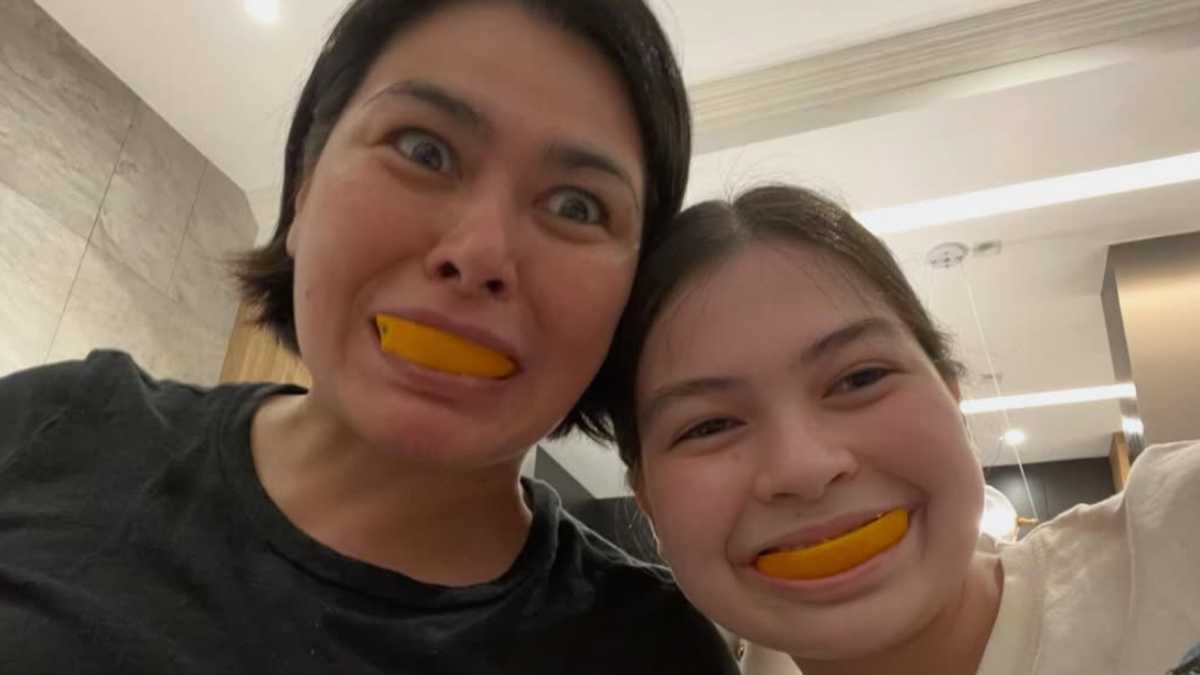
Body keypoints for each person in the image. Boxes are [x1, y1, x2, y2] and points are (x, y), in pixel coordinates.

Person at [0, 1, 740, 672]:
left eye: (577, 206)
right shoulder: (61, 423)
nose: (479, 253)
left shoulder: (656, 654)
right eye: (423, 150)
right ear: (303, 188)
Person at [597, 184, 1200, 675]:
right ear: (646, 499)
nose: (803, 468)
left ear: (952, 395)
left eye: (860, 378)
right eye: (709, 425)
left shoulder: (1174, 534)